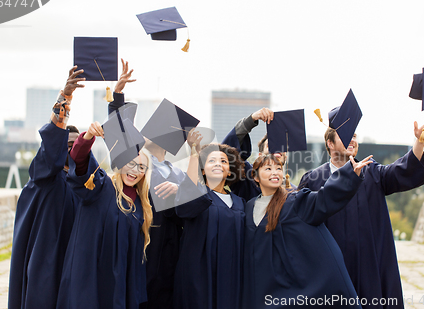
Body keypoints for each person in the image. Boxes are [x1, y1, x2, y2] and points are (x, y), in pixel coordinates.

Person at [297, 118, 424, 309]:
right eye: (345, 134)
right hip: (329, 268)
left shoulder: (372, 172)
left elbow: (402, 170)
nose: (352, 139)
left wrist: (419, 142)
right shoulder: (313, 180)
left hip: (369, 266)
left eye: (354, 135)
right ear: (330, 143)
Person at [56, 70, 153, 309]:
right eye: (131, 164)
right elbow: (78, 163)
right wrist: (88, 136)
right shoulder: (100, 186)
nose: (135, 170)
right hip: (91, 278)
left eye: (141, 167)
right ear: (120, 163)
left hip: (121, 284)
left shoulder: (143, 203)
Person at [243, 153, 372, 308]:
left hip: (291, 287)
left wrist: (349, 175)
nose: (275, 172)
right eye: (268, 168)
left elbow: (324, 198)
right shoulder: (248, 207)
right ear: (256, 177)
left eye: (278, 168)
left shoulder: (294, 201)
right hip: (263, 287)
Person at [109, 59, 184, 309]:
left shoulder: (178, 174)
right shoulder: (138, 163)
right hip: (140, 242)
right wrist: (118, 96)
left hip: (170, 252)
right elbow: (117, 134)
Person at [8, 66, 84, 309]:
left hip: (75, 262)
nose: (72, 149)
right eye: (68, 144)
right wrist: (65, 99)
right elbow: (52, 146)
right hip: (45, 263)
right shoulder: (45, 176)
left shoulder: (85, 183)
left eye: (78, 145)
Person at [173, 131, 246, 309]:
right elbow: (185, 201)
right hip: (199, 276)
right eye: (211, 160)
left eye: (223, 161)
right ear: (202, 170)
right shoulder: (199, 195)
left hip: (232, 277)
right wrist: (194, 153)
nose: (218, 164)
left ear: (230, 170)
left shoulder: (241, 203)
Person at [222, 108, 293, 201]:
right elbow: (227, 154)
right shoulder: (247, 177)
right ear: (260, 155)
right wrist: (251, 120)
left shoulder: (293, 192)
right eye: (270, 145)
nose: (277, 148)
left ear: (286, 156)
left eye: (281, 146)